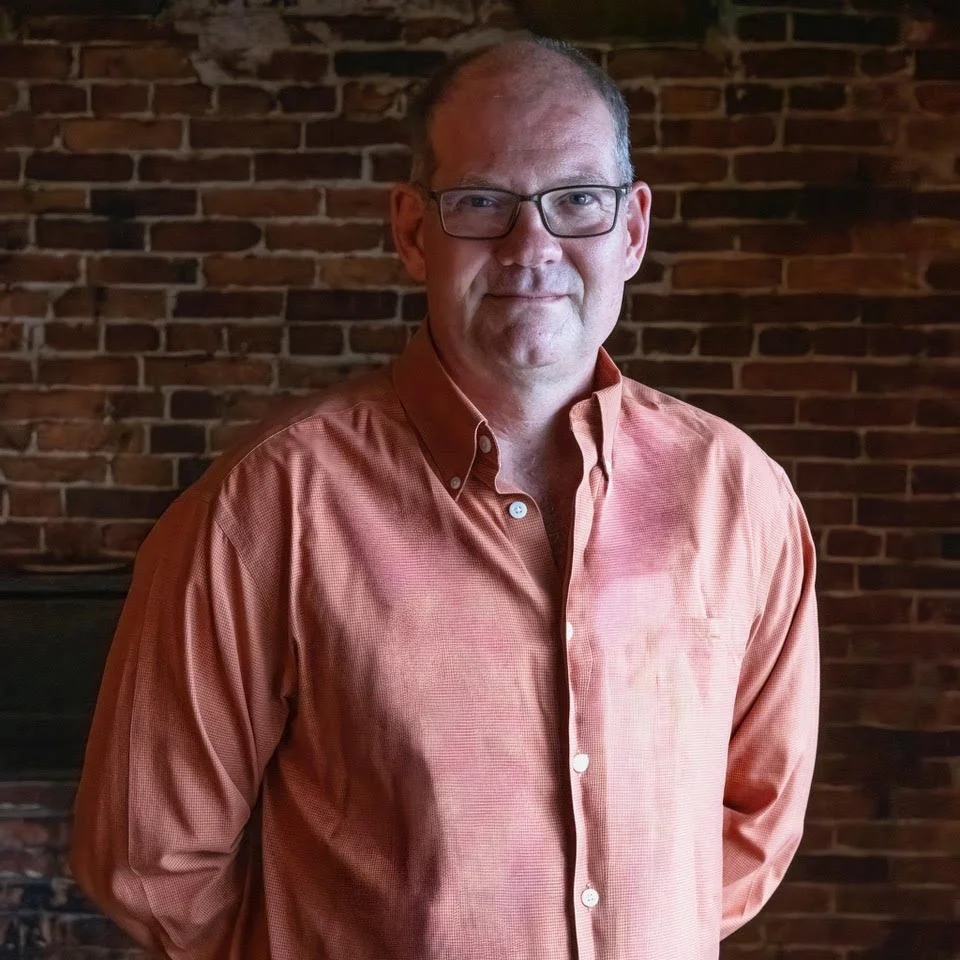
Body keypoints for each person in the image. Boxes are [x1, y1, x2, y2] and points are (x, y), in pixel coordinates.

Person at [71, 37, 819, 960]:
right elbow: (149, 859)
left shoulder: (740, 497)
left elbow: (753, 820)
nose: (531, 246)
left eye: (577, 200)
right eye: (481, 203)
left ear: (631, 230)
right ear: (412, 230)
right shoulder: (270, 506)